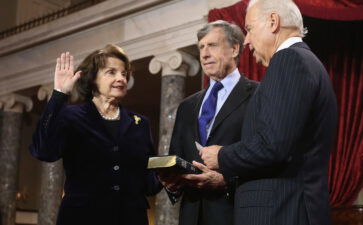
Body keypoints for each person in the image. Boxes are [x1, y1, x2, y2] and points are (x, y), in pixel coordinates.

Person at [200, 0, 338, 225]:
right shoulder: (307, 62)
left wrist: (221, 156)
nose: (246, 40)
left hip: (280, 212)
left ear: (273, 22)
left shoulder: (289, 60)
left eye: (250, 29)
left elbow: (272, 145)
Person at [29, 44, 162, 225]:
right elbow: (44, 151)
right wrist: (59, 94)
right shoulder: (71, 116)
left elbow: (148, 183)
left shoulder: (140, 123)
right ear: (92, 79)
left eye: (124, 74)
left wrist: (169, 176)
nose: (121, 78)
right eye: (111, 72)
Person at [160, 20, 258, 225]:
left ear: (234, 48)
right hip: (191, 215)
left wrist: (226, 182)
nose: (204, 54)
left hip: (234, 213)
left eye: (212, 45)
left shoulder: (258, 95)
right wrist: (171, 182)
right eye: (201, 47)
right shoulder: (187, 106)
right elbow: (176, 156)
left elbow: (262, 155)